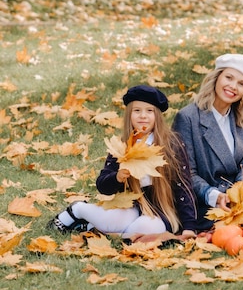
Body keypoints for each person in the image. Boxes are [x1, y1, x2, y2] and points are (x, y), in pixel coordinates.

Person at [48, 85, 197, 239]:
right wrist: (117, 178)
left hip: (161, 209)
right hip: (130, 206)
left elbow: (183, 186)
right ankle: (78, 210)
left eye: (149, 111)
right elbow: (102, 186)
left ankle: (95, 228)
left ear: (157, 115)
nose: (143, 116)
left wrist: (189, 226)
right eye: (137, 110)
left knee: (143, 229)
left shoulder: (172, 143)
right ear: (129, 115)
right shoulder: (122, 146)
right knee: (112, 220)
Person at [171, 53, 243, 230]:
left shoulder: (241, 116)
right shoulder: (188, 117)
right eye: (229, 78)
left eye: (241, 83)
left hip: (238, 187)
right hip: (211, 200)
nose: (233, 86)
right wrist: (215, 195)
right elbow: (186, 174)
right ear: (216, 78)